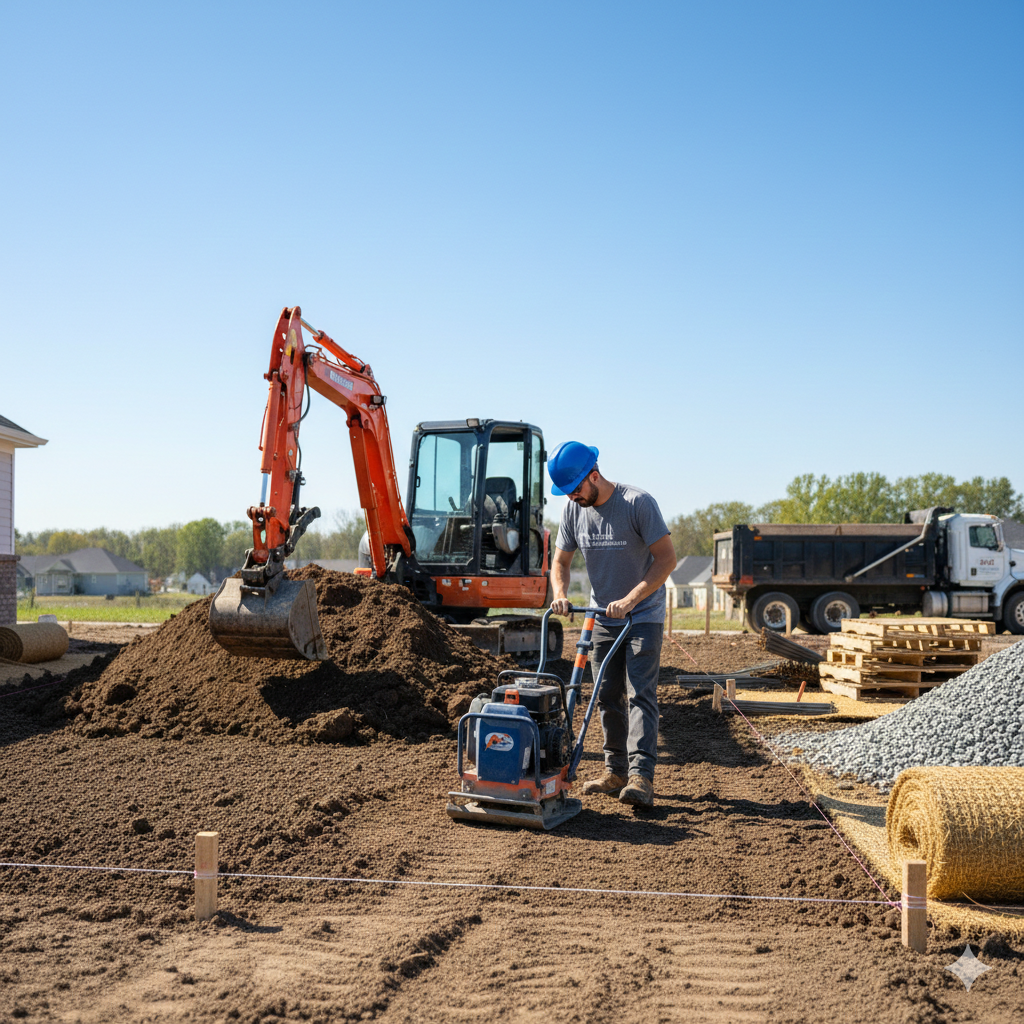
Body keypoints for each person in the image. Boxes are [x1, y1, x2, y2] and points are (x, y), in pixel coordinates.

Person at [548, 441, 675, 808]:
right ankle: (615, 770)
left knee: (640, 693)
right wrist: (560, 593)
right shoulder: (572, 511)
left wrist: (632, 599)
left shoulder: (638, 503)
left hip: (643, 615)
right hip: (602, 616)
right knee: (606, 694)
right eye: (566, 492)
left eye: (575, 489)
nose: (572, 497)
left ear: (594, 474)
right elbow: (560, 563)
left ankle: (640, 778)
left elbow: (666, 560)